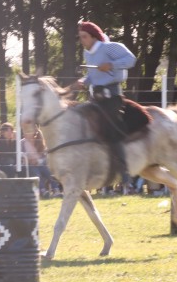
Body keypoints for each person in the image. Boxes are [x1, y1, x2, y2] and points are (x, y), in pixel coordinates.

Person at [74, 20, 137, 184]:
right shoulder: (87, 54)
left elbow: (131, 60)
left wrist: (111, 65)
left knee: (110, 128)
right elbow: (92, 76)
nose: (82, 41)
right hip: (96, 97)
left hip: (112, 96)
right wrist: (83, 82)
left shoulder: (110, 47)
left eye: (84, 37)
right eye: (80, 37)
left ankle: (125, 172)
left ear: (94, 37)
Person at [22, 127, 61, 197]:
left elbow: (44, 157)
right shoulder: (22, 143)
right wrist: (30, 160)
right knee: (36, 173)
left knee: (49, 172)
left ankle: (56, 190)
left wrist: (38, 161)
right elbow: (21, 155)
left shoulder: (39, 143)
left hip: (40, 164)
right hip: (28, 165)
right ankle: (43, 191)